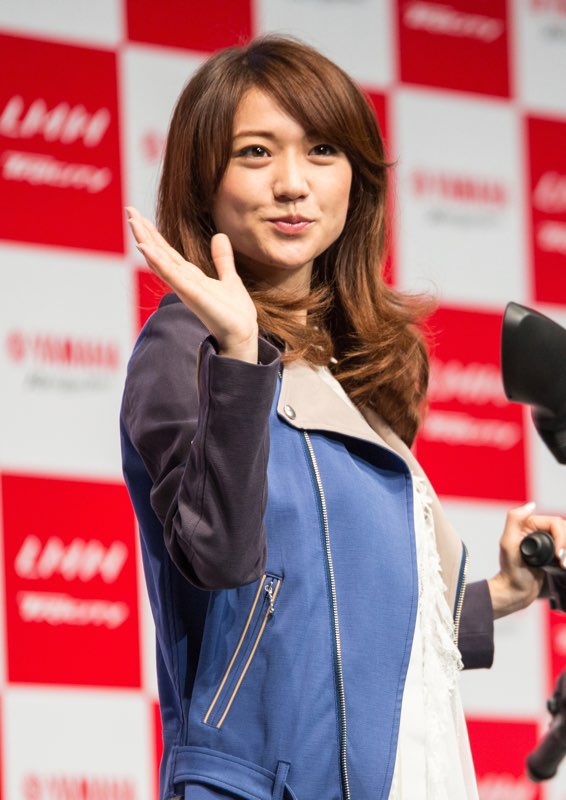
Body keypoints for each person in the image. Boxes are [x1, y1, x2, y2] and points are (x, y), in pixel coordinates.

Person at [120, 35, 566, 800]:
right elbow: (220, 557)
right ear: (204, 179)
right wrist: (238, 354)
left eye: (322, 150)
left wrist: (501, 591)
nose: (293, 184)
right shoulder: (186, 345)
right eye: (256, 153)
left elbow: (340, 611)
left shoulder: (354, 368)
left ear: (355, 180)